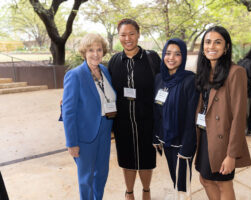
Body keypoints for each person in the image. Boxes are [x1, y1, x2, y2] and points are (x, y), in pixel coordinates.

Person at [194, 26, 251, 200]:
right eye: (208, 42)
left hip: (223, 140)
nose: (212, 46)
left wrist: (231, 155)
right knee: (205, 179)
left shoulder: (236, 72)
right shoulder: (205, 71)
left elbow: (239, 116)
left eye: (218, 42)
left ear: (226, 47)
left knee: (223, 183)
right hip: (204, 135)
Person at [108, 19, 161, 200]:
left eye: (131, 34)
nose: (127, 38)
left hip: (147, 121)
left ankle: (146, 190)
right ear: (119, 37)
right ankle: (129, 192)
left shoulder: (151, 58)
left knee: (146, 160)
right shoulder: (114, 61)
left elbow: (165, 83)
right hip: (122, 122)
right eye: (123, 35)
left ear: (138, 34)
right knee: (127, 160)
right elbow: (100, 86)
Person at [62, 33, 116, 200]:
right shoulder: (75, 75)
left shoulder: (105, 71)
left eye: (99, 49)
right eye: (91, 50)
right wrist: (72, 143)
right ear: (84, 52)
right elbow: (68, 112)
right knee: (86, 178)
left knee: (102, 174)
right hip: (85, 135)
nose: (95, 54)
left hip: (105, 132)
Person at [153, 38, 198, 199]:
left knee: (182, 182)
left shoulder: (190, 80)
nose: (171, 58)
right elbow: (157, 110)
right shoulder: (159, 78)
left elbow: (191, 117)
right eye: (168, 53)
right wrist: (156, 136)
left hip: (182, 141)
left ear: (183, 57)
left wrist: (186, 147)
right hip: (166, 139)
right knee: (174, 175)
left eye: (177, 54)